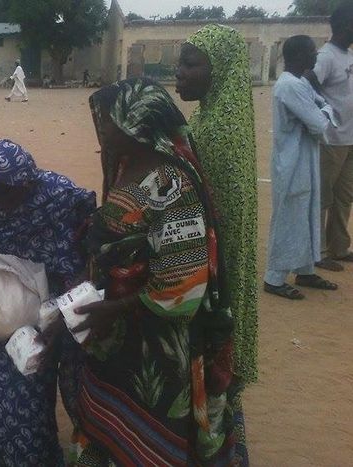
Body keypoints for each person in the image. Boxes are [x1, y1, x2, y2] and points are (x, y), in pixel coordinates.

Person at [71, 77, 246, 466]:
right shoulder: (125, 167)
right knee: (108, 429)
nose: (100, 128)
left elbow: (182, 288)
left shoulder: (175, 187)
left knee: (148, 440)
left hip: (156, 346)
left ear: (137, 122)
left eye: (107, 120)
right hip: (116, 338)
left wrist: (114, 308)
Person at [0, 139, 96, 466]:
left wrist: (63, 305)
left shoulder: (58, 197)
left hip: (52, 309)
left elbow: (92, 236)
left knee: (54, 397)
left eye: (7, 191)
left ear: (28, 184)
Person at [176, 24, 259, 387]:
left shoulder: (217, 130)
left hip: (214, 263)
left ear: (219, 70)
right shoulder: (212, 115)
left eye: (190, 64)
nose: (178, 72)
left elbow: (206, 213)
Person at [264, 35, 338, 299]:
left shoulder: (300, 83)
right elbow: (319, 123)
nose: (315, 57)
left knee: (307, 215)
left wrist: (322, 106)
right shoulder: (288, 86)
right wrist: (326, 111)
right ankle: (273, 277)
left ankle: (305, 270)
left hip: (305, 160)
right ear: (297, 56)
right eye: (311, 52)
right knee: (288, 219)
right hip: (291, 163)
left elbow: (320, 110)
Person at [307, 1, 353, 271]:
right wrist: (321, 119)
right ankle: (318, 252)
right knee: (322, 198)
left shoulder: (348, 55)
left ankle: (338, 246)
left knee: (343, 197)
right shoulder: (326, 56)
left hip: (349, 140)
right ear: (346, 26)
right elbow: (311, 83)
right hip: (331, 141)